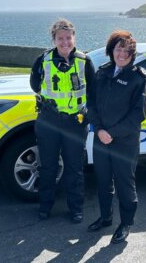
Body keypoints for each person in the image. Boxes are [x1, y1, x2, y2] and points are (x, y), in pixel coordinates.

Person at [87, 30, 146, 244]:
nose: (121, 54)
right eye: (118, 48)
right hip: (101, 138)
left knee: (125, 184)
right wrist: (98, 129)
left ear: (132, 53)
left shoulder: (138, 78)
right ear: (111, 50)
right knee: (103, 181)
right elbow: (91, 103)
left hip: (124, 142)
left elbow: (137, 115)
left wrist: (110, 133)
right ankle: (105, 218)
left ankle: (125, 224)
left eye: (126, 50)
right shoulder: (103, 72)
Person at [30, 18, 95, 223]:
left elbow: (94, 91)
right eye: (60, 38)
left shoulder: (85, 61)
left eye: (68, 38)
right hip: (49, 121)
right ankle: (45, 206)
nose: (65, 42)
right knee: (47, 167)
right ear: (54, 39)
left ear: (74, 38)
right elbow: (34, 84)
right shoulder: (43, 60)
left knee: (74, 168)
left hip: (75, 123)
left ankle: (76, 209)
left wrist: (87, 115)